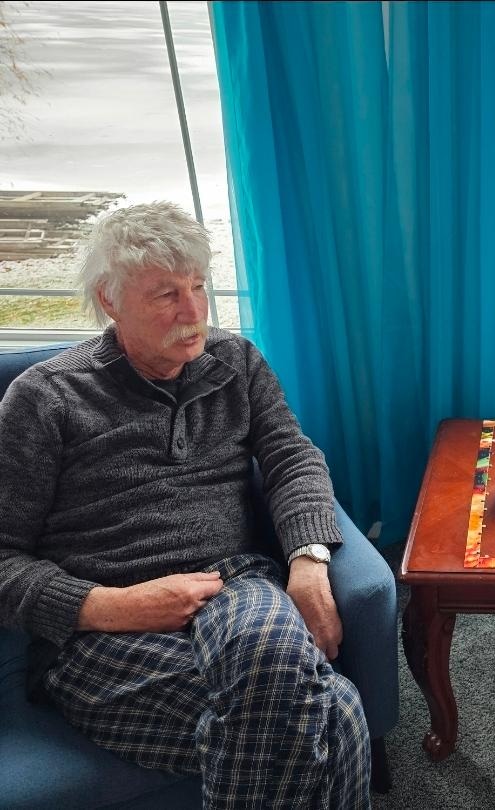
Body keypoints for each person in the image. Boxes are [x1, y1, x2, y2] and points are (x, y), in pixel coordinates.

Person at [0, 202, 370, 808]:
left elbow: (293, 457)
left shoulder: (236, 364)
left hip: (236, 586)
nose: (194, 311)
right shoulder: (45, 398)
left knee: (271, 648)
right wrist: (112, 605)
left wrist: (307, 560)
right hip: (97, 637)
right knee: (333, 712)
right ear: (111, 300)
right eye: (166, 294)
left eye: (198, 286)